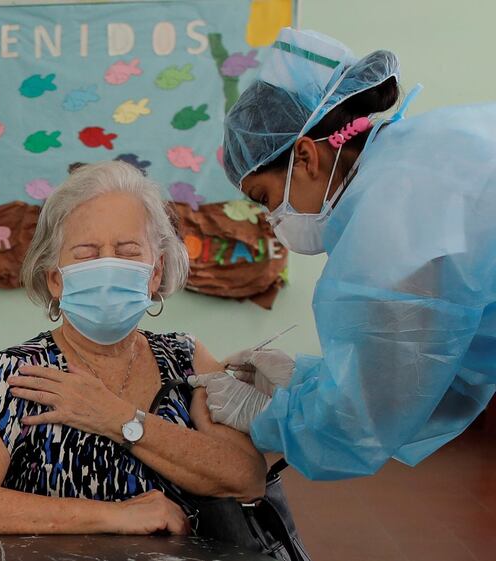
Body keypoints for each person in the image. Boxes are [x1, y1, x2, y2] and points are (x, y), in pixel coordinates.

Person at [191, 27, 496, 480]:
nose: (272, 218)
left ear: (307, 157)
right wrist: (310, 380)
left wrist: (266, 416)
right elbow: (441, 367)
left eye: (265, 197)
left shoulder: (393, 224)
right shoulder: (422, 151)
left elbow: (364, 424)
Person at [0, 161, 266, 535]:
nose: (108, 266)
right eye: (87, 253)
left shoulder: (186, 358)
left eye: (127, 250)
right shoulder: (21, 372)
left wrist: (119, 419)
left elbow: (247, 477)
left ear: (155, 273)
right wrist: (116, 516)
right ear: (56, 280)